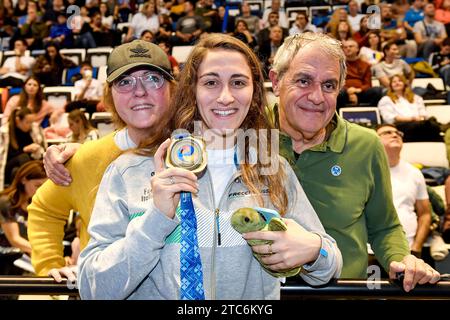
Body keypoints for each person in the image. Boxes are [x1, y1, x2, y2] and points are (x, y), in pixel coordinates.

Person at [78, 34, 342, 300]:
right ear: (192, 89)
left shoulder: (272, 168)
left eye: (238, 82)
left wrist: (313, 249)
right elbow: (94, 288)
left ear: (254, 91)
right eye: (211, 82)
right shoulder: (129, 171)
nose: (225, 97)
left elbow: (328, 266)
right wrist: (155, 219)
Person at [268, 32, 440, 292]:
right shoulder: (244, 138)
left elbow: (384, 226)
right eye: (304, 81)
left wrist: (402, 258)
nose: (317, 97)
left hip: (344, 292)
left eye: (329, 85)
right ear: (276, 81)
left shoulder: (366, 145)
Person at [27, 39, 175, 282]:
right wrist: (49, 266)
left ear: (173, 88)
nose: (139, 91)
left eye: (152, 78)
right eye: (124, 82)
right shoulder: (87, 157)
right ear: (110, 95)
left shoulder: (194, 151)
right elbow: (44, 209)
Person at [376, 124, 431, 257]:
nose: (395, 135)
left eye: (397, 133)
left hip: (407, 250)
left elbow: (425, 214)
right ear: (374, 140)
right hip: (369, 251)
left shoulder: (414, 173)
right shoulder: (363, 171)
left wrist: (417, 247)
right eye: (387, 133)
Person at [0, 160, 46, 275]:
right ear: (23, 180)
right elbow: (15, 240)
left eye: (44, 186)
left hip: (22, 259)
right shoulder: (6, 202)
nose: (40, 190)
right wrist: (44, 252)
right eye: (37, 185)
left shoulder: (34, 203)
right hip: (5, 261)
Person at [0, 108, 46, 189]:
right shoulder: (5, 132)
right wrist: (25, 149)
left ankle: (29, 182)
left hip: (25, 164)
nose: (30, 125)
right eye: (28, 122)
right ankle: (29, 178)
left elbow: (43, 150)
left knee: (17, 170)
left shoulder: (33, 130)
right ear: (18, 120)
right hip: (9, 164)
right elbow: (5, 156)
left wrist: (37, 150)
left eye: (32, 122)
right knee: (24, 157)